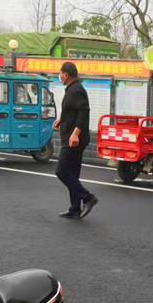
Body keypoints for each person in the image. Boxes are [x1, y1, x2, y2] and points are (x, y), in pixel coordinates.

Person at [53, 62, 98, 219]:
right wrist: (61, 119)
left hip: (74, 139)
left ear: (66, 75)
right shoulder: (72, 89)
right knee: (72, 172)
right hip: (70, 135)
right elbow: (73, 110)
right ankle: (75, 208)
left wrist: (75, 134)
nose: (59, 76)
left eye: (60, 73)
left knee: (62, 170)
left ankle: (88, 198)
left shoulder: (76, 89)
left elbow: (84, 112)